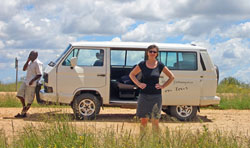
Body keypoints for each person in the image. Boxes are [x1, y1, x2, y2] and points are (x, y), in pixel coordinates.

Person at [129, 45, 175, 131]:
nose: (152, 53)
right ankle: (142, 141)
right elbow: (131, 74)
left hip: (156, 96)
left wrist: (163, 86)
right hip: (144, 95)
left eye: (154, 52)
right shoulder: (142, 64)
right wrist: (139, 84)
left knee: (155, 121)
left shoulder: (160, 65)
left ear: (157, 54)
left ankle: (155, 142)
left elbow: (171, 77)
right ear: (147, 53)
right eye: (150, 51)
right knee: (143, 120)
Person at [15, 51, 43, 118]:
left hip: (32, 83)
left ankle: (23, 113)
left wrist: (32, 80)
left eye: (31, 55)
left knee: (29, 100)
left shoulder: (38, 63)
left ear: (35, 56)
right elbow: (24, 69)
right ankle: (24, 107)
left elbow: (39, 74)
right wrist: (27, 61)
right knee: (19, 94)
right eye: (30, 54)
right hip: (26, 81)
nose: (30, 55)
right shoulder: (30, 62)